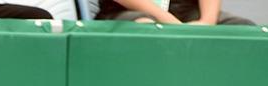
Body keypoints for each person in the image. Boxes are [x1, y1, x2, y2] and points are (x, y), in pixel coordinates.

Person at [96, 0, 255, 25]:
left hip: (185, 11)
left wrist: (207, 22)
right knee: (146, 30)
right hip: (128, 12)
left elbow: (207, 22)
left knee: (242, 29)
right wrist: (171, 24)